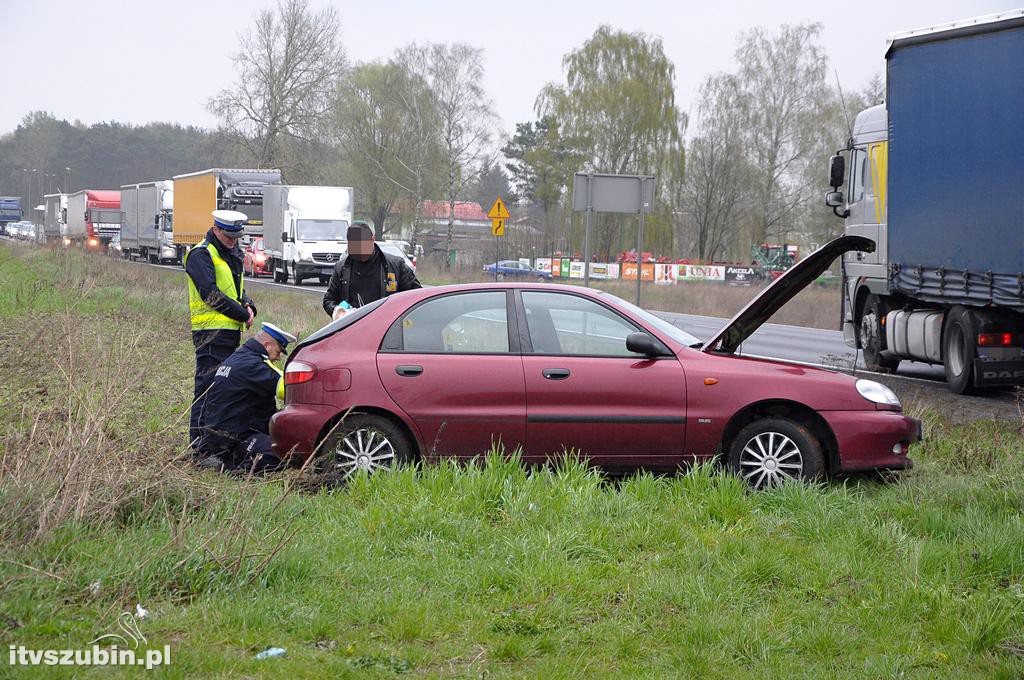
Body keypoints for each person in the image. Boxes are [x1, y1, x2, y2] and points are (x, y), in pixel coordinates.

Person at [185, 210, 257, 451]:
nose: (232, 241)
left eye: (236, 237)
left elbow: (236, 289)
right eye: (228, 236)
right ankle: (199, 446)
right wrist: (242, 313)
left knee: (221, 388)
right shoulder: (201, 254)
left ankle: (216, 442)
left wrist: (248, 304)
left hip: (228, 333)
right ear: (216, 229)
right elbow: (211, 294)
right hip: (209, 333)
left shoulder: (231, 253)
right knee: (207, 389)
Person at [196, 322, 296, 473]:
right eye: (278, 351)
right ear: (267, 345)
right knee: (288, 453)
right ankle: (234, 465)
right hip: (236, 440)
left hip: (216, 438)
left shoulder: (237, 357)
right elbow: (288, 387)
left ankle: (223, 459)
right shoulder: (254, 365)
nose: (278, 358)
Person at [322, 222, 421, 319]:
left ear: (372, 239)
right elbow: (328, 300)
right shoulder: (342, 268)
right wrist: (338, 312)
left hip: (386, 328)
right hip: (352, 329)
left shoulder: (396, 266)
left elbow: (417, 297)